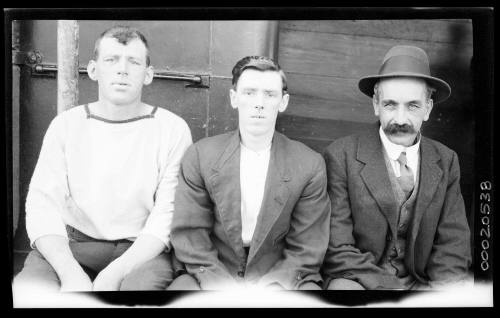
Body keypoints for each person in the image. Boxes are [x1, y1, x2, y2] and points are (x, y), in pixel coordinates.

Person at [13, 26, 192, 293]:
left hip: (141, 250)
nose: (123, 70)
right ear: (94, 70)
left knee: (137, 293)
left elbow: (167, 214)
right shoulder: (66, 125)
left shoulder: (171, 128)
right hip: (75, 245)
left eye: (134, 62)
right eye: (111, 60)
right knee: (30, 291)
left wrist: (114, 274)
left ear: (148, 75)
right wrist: (70, 274)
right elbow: (42, 205)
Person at [168, 56, 331, 290]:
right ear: (234, 98)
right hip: (212, 269)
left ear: (283, 102)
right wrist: (221, 286)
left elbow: (307, 247)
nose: (259, 103)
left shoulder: (308, 164)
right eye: (249, 92)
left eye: (270, 94)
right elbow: (191, 235)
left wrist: (272, 287)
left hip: (277, 272)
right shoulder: (201, 156)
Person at [321, 45, 471, 290]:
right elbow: (337, 248)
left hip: (420, 283)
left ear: (428, 109)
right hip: (358, 280)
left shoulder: (446, 160)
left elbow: (453, 244)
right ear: (376, 105)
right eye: (390, 105)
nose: (400, 120)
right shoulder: (341, 156)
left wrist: (440, 292)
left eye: (412, 106)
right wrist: (392, 293)